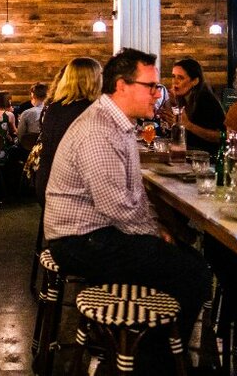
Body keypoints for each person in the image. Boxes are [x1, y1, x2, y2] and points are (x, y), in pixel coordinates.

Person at [44, 48, 211, 372]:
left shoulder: (116, 123)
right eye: (150, 86)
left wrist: (155, 229)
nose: (157, 94)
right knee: (194, 273)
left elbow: (131, 196)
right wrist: (155, 232)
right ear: (121, 86)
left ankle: (142, 355)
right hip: (79, 241)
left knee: (187, 262)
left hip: (96, 233)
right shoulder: (100, 129)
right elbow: (117, 206)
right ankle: (154, 364)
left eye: (158, 87)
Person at [36, 58, 101, 204]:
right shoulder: (90, 110)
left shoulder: (53, 108)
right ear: (92, 79)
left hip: (47, 177)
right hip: (72, 189)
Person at [159, 57, 224, 155]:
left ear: (195, 81)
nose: (175, 81)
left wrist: (188, 125)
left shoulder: (205, 100)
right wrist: (171, 106)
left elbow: (220, 137)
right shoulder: (182, 99)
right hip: (188, 154)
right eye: (173, 76)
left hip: (207, 158)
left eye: (180, 78)